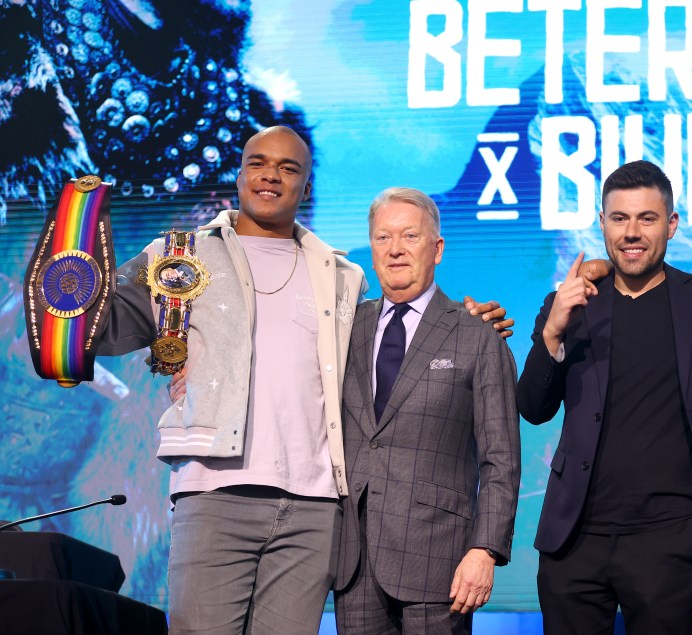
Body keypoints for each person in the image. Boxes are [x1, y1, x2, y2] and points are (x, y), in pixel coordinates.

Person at [99, 126, 510, 634]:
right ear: (240, 172)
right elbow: (97, 329)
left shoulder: (340, 276)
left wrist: (468, 325)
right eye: (258, 162)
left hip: (315, 513)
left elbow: (415, 350)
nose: (271, 174)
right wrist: (70, 269)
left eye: (289, 168)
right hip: (215, 491)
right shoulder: (181, 255)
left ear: (307, 186)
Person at [516, 161, 692, 634]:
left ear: (671, 225)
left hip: (668, 537)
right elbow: (532, 407)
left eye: (647, 219)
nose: (631, 232)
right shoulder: (570, 303)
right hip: (574, 538)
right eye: (619, 218)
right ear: (603, 222)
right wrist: (552, 331)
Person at [332, 187, 521, 634]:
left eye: (410, 236)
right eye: (383, 238)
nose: (395, 249)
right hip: (353, 562)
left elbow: (502, 459)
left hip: (441, 561)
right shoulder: (342, 331)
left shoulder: (476, 334)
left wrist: (485, 550)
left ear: (436, 249)